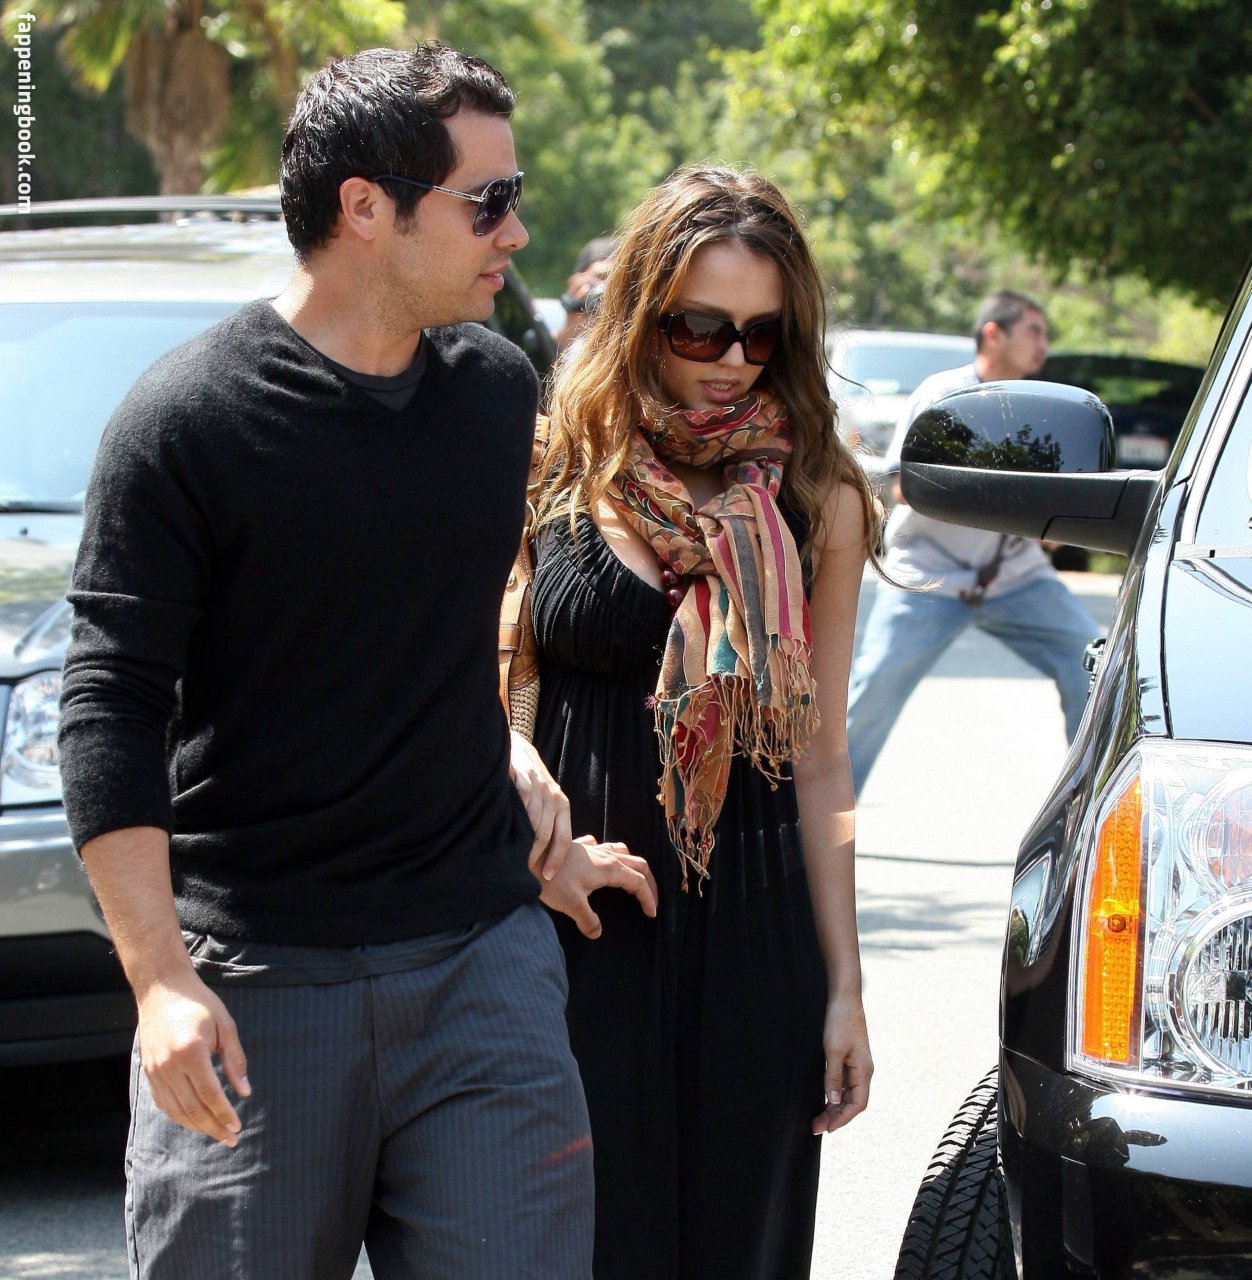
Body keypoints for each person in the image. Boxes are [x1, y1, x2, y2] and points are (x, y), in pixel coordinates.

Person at [57, 44, 655, 1280]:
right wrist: (159, 981)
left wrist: (505, 765)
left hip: (480, 965)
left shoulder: (492, 392)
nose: (516, 231)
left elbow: (423, 628)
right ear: (366, 207)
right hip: (258, 981)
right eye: (487, 201)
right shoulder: (185, 421)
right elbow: (110, 703)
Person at [526, 164, 879, 1280]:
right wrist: (528, 842)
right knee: (582, 1246)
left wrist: (845, 986)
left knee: (740, 1250)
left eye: (761, 335)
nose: (732, 359)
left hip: (756, 941)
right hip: (580, 924)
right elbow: (477, 692)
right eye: (701, 327)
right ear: (640, 314)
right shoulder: (553, 466)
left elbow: (822, 760)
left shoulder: (818, 498)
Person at [845, 289, 1099, 794]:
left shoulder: (1040, 404)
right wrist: (988, 488)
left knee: (1095, 665)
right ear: (993, 334)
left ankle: (1090, 806)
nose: (1044, 345)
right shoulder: (947, 395)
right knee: (873, 692)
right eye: (1034, 331)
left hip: (1014, 574)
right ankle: (817, 824)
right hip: (929, 572)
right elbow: (902, 485)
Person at [553, 235, 618, 351]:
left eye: (618, 279)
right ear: (575, 282)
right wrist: (572, 326)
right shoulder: (570, 342)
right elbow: (549, 359)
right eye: (603, 276)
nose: (609, 287)